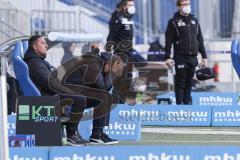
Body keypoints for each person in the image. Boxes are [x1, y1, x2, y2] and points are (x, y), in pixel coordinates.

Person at [49, 44, 125, 144]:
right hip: (69, 91)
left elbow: (105, 88)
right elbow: (103, 87)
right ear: (107, 63)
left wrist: (111, 73)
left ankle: (99, 134)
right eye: (112, 66)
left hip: (78, 90)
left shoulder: (99, 64)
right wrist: (112, 72)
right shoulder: (93, 64)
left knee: (107, 96)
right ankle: (91, 135)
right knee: (103, 97)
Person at [23, 35, 89, 146]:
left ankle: (74, 132)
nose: (46, 45)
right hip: (47, 97)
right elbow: (50, 84)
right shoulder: (35, 63)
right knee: (80, 100)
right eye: (43, 43)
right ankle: (71, 135)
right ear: (34, 46)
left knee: (81, 97)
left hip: (48, 94)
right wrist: (68, 92)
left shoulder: (37, 61)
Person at [165, 0, 208, 105]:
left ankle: (187, 105)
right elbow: (168, 40)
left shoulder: (195, 20)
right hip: (180, 57)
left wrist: (204, 56)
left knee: (189, 83)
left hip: (193, 57)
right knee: (180, 83)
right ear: (178, 6)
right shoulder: (173, 21)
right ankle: (180, 107)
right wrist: (167, 57)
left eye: (188, 4)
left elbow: (200, 39)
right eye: (184, 4)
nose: (187, 6)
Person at [106, 0, 136, 104]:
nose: (133, 6)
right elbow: (111, 36)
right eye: (130, 5)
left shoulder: (130, 19)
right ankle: (114, 106)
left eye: (133, 4)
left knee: (127, 81)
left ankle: (121, 105)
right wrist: (108, 54)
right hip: (120, 55)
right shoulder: (118, 18)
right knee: (119, 82)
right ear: (124, 6)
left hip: (129, 54)